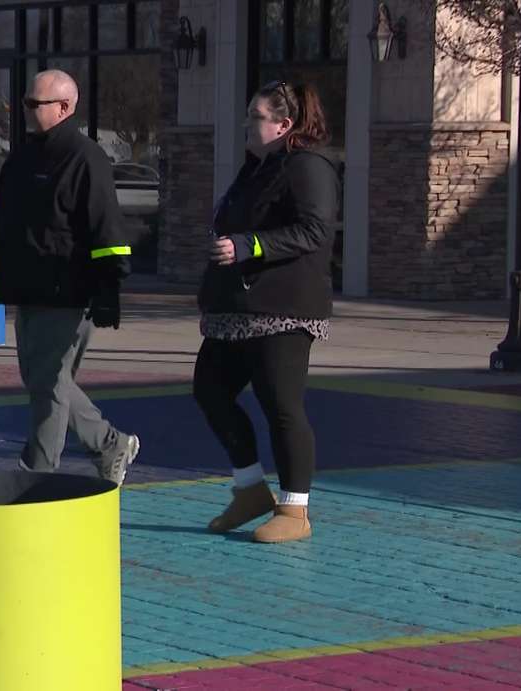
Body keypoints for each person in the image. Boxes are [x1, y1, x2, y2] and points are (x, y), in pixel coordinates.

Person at [0, 69, 140, 485]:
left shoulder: (86, 159)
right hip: (27, 287)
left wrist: (108, 290)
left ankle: (36, 474)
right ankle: (109, 443)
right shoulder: (23, 158)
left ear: (65, 107)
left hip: (68, 290)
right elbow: (1, 220)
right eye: (26, 104)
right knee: (43, 379)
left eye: (36, 104)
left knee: (48, 385)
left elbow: (108, 232)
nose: (27, 111)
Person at [194, 81, 340, 543]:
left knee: (281, 404)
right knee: (210, 389)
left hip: (284, 307)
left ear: (284, 124)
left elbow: (314, 230)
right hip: (238, 308)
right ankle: (250, 490)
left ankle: (295, 511)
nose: (246, 125)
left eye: (255, 117)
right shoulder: (256, 168)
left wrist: (249, 245)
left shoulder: (308, 167)